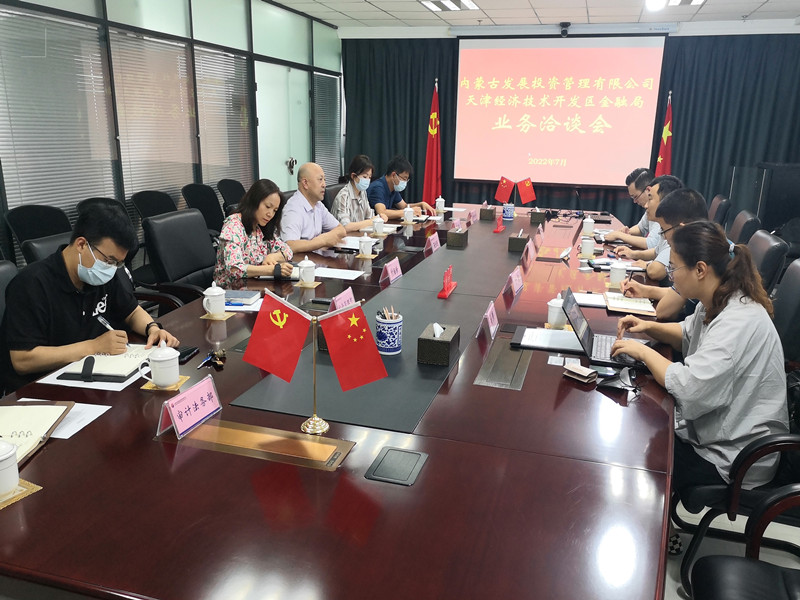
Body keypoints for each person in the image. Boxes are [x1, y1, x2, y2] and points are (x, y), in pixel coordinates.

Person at [611, 221, 788, 496]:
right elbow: (687, 332)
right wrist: (648, 327)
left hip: (736, 456)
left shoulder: (737, 321)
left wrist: (644, 352)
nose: (671, 277)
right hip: (718, 432)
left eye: (674, 269)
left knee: (635, 454)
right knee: (641, 424)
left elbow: (690, 388)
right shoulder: (720, 298)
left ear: (700, 270)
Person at [0, 203, 179, 391]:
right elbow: (22, 360)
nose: (111, 268)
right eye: (109, 260)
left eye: (118, 263)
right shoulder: (30, 285)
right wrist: (94, 346)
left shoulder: (102, 274)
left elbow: (131, 311)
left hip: (93, 377)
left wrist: (152, 328)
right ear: (81, 244)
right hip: (44, 388)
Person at [620, 189, 708, 320]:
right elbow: (663, 311)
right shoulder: (693, 250)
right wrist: (643, 290)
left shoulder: (704, 256)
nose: (664, 237)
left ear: (681, 229)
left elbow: (665, 311)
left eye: (663, 230)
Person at [214, 178, 294, 287]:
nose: (270, 214)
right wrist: (272, 270)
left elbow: (288, 250)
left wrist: (273, 257)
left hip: (255, 286)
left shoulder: (260, 226)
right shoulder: (234, 225)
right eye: (267, 207)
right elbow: (234, 268)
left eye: (274, 210)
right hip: (231, 290)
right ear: (254, 201)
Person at [614, 174, 684, 281]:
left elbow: (655, 272)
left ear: (665, 202)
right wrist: (633, 254)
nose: (646, 205)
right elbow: (657, 250)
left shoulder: (675, 231)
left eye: (650, 198)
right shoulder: (665, 227)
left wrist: (647, 265)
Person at [280, 162, 347, 253]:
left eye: (324, 180)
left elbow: (341, 230)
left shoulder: (318, 204)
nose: (324, 185)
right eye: (320, 179)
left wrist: (324, 239)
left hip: (317, 258)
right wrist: (322, 241)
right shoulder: (293, 209)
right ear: (305, 183)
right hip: (301, 260)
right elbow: (289, 245)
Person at [367, 155, 435, 220]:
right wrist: (409, 212)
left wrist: (421, 204)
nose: (405, 182)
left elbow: (404, 206)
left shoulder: (393, 188)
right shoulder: (378, 187)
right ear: (394, 175)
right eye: (404, 179)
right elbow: (382, 212)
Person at [332, 154, 387, 232]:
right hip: (344, 237)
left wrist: (379, 217)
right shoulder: (343, 196)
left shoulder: (362, 192)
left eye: (369, 177)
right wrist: (371, 221)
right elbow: (345, 226)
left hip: (358, 235)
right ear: (353, 176)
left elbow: (369, 217)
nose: (368, 180)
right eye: (364, 177)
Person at [603, 168, 654, 249]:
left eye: (636, 197)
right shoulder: (650, 207)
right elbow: (641, 228)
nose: (635, 201)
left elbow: (651, 244)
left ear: (648, 190)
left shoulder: (663, 207)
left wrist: (620, 235)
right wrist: (627, 232)